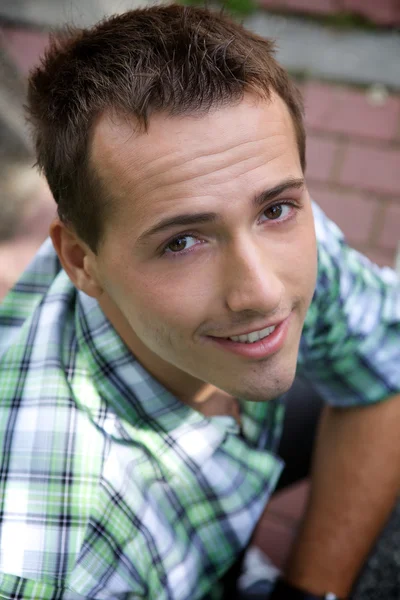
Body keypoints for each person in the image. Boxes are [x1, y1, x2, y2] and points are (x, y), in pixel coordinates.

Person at [0, 4, 399, 599]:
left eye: (275, 208)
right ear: (83, 262)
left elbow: (383, 370)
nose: (264, 291)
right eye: (183, 242)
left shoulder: (249, 196)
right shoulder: (62, 561)